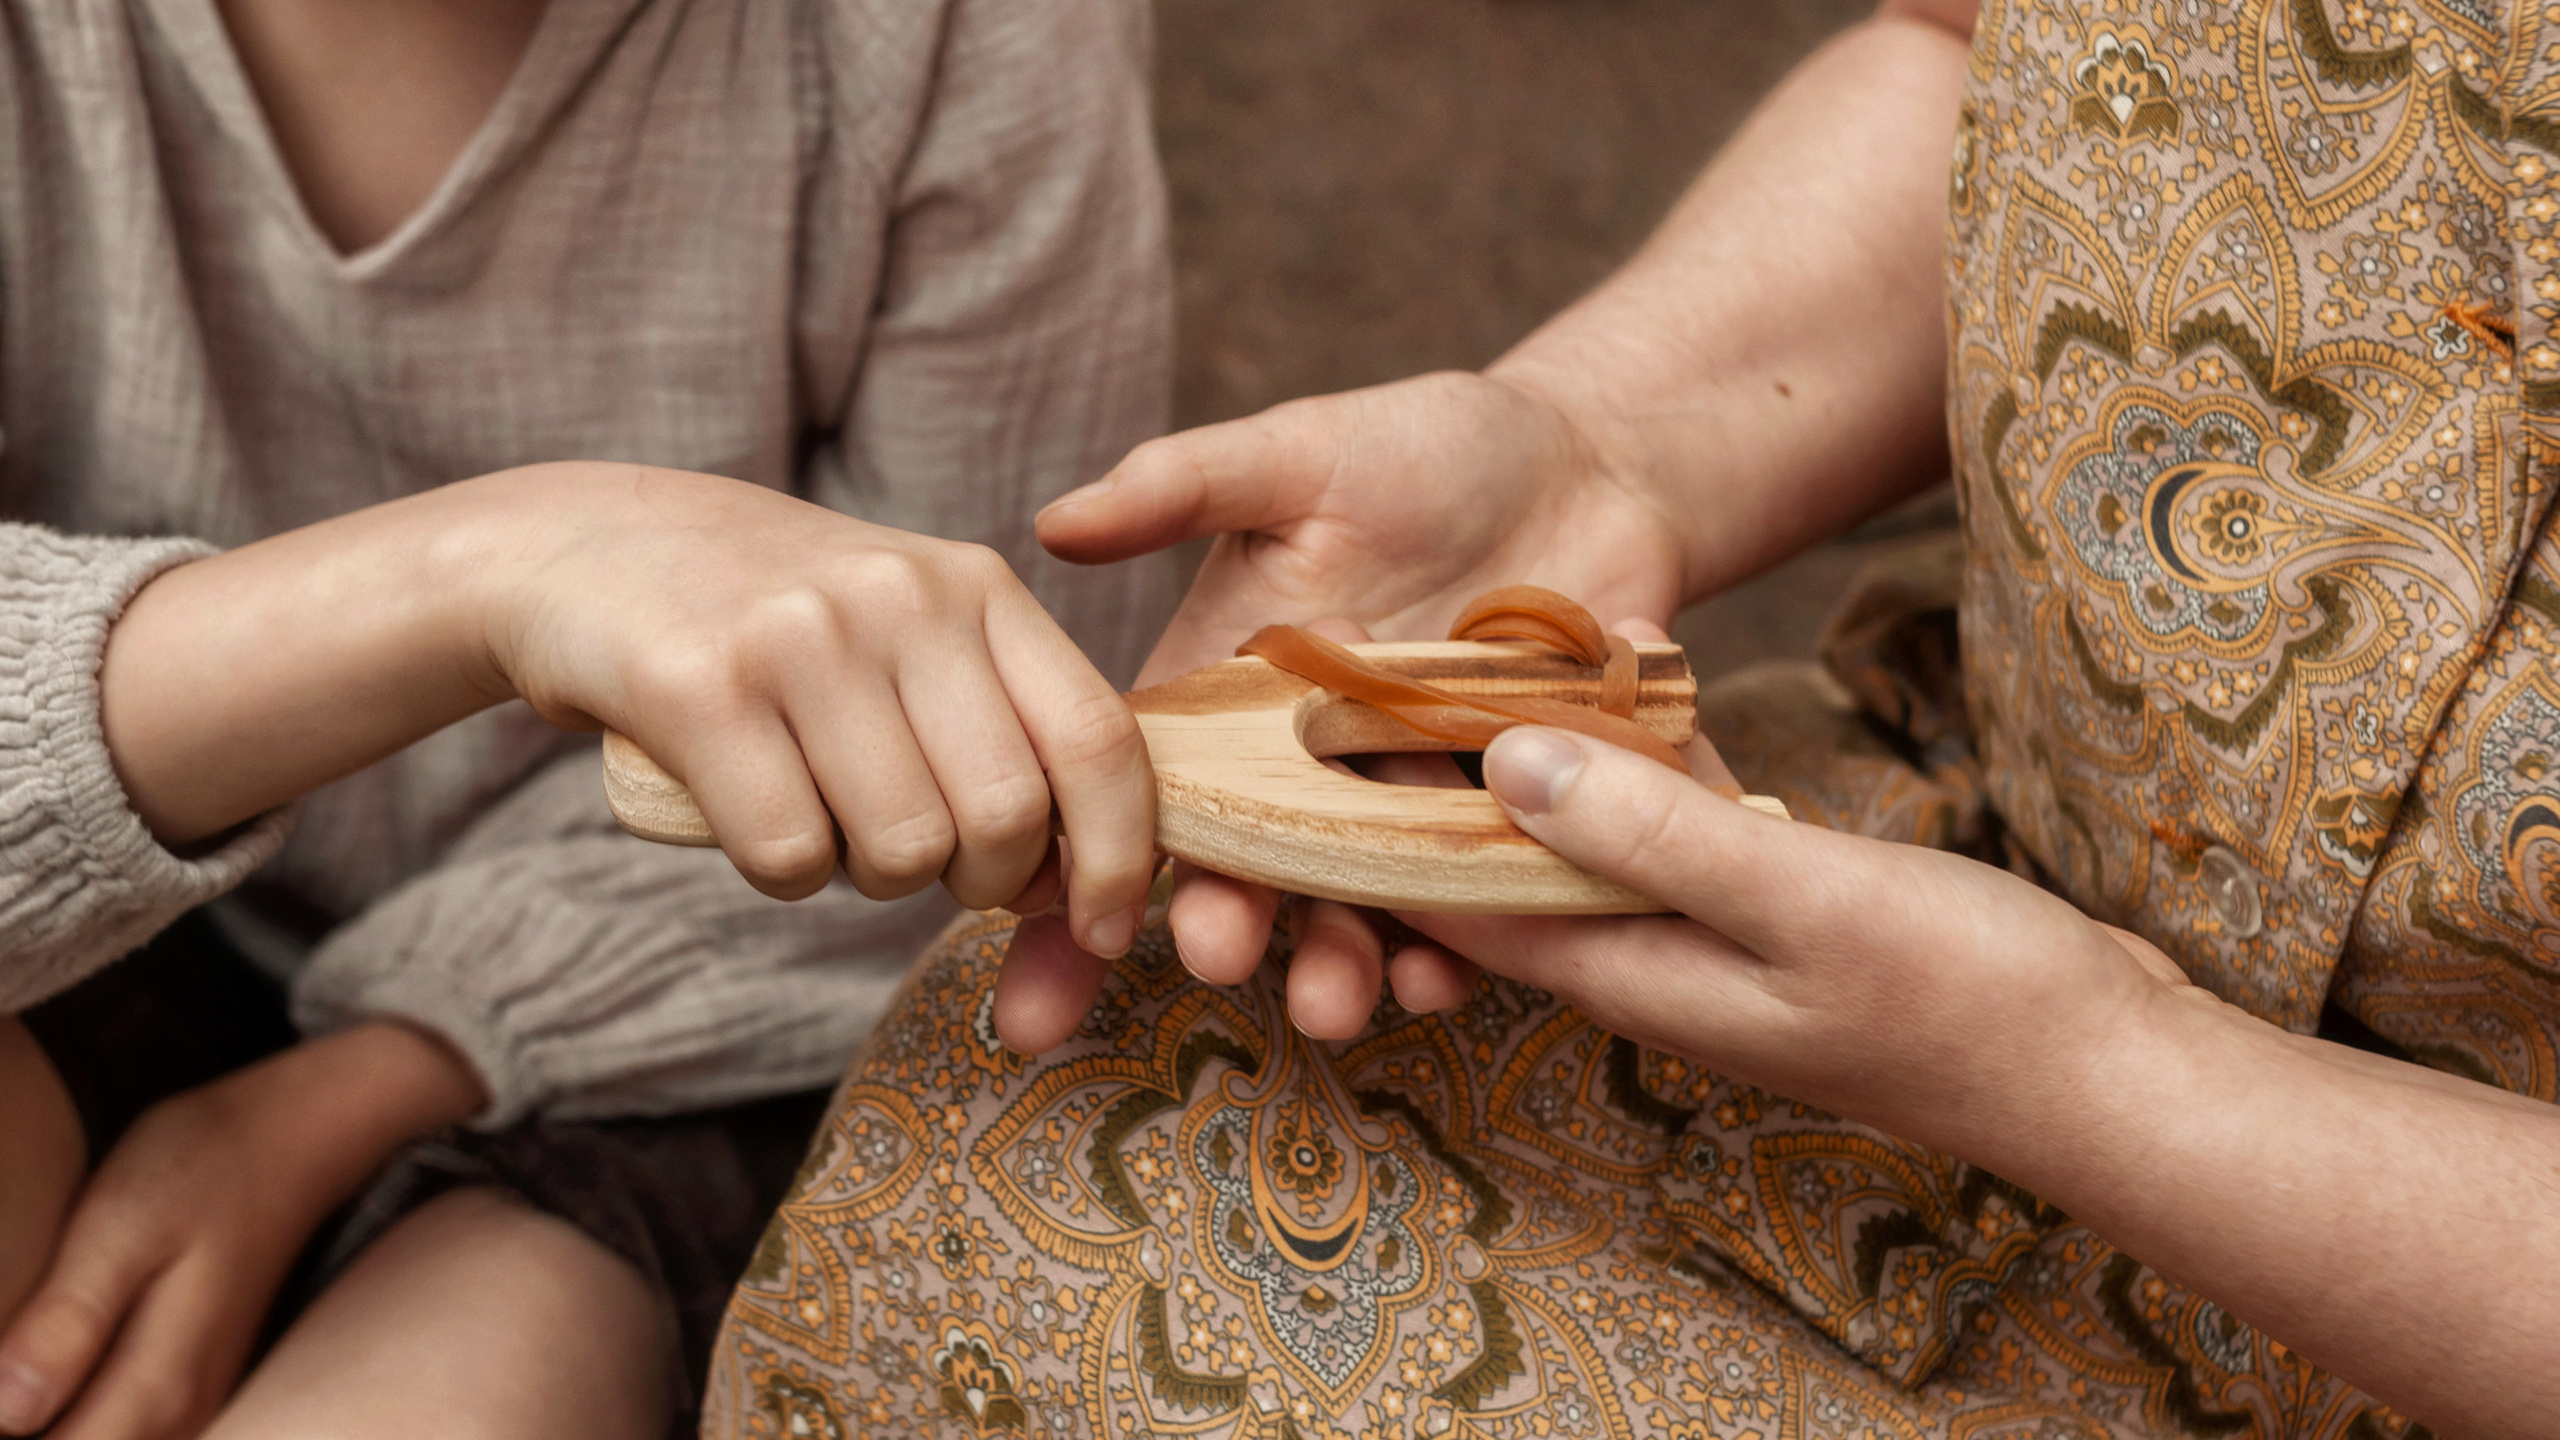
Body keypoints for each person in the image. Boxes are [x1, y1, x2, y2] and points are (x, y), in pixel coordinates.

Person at [709, 0, 2558, 1435]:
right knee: (1028, 1129)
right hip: (1990, 844)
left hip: (2429, 1247)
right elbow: (1995, 69)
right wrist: (1611, 446)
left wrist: (2103, 1079)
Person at [0, 0, 1173, 1435]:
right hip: (94, 923)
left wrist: (324, 1107)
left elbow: (999, 786)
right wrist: (494, 569)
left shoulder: (957, 36)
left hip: (685, 1004)